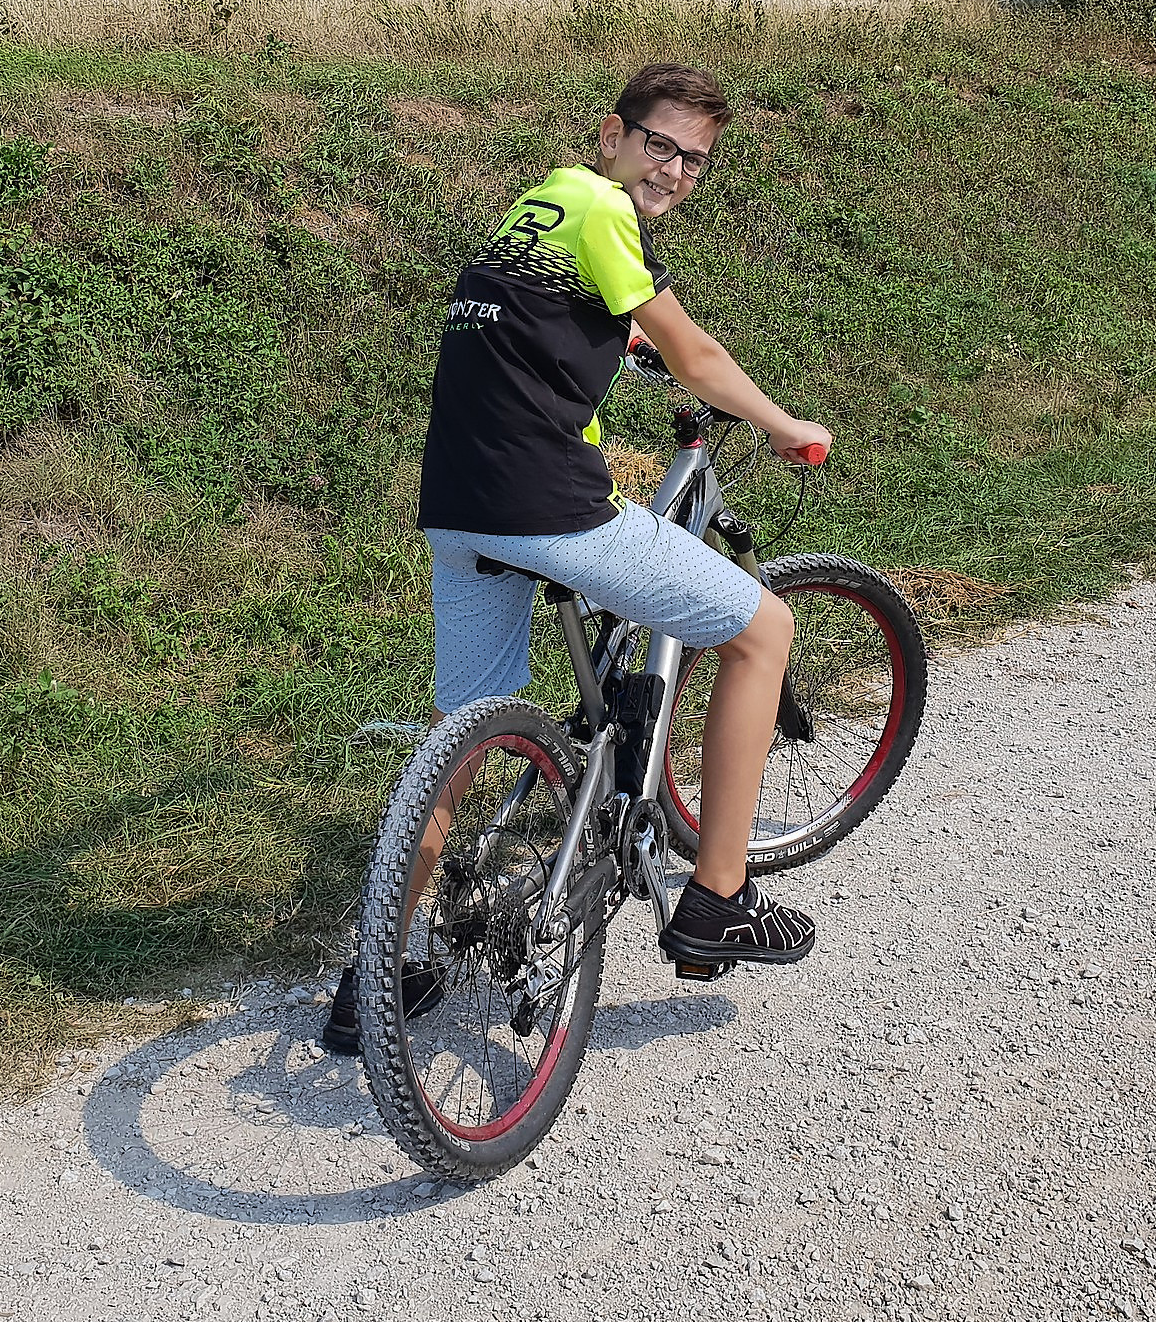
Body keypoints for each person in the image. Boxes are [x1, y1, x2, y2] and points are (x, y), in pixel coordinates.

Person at [321, 61, 831, 1054]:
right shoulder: (606, 209)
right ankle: (720, 899)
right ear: (613, 135)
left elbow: (543, 323)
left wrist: (620, 344)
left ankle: (373, 975)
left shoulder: (539, 208)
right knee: (765, 629)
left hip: (456, 507)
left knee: (459, 737)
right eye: (659, 144)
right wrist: (782, 424)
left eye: (694, 159)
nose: (673, 169)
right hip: (545, 505)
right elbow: (696, 356)